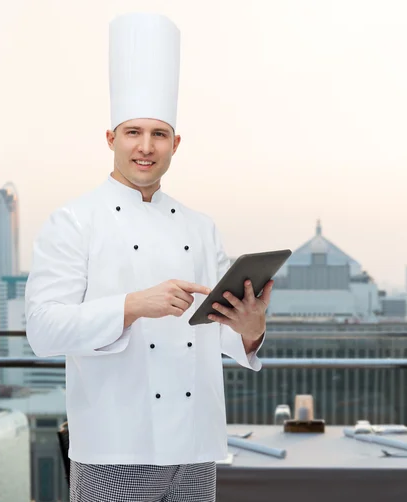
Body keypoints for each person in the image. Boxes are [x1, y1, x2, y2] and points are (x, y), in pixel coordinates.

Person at [24, 12, 271, 502]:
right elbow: (43, 330)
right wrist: (134, 305)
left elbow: (217, 331)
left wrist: (249, 328)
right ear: (110, 139)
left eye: (159, 134)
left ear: (175, 144)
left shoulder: (201, 226)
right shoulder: (73, 221)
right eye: (133, 132)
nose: (145, 146)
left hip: (196, 444)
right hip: (115, 445)